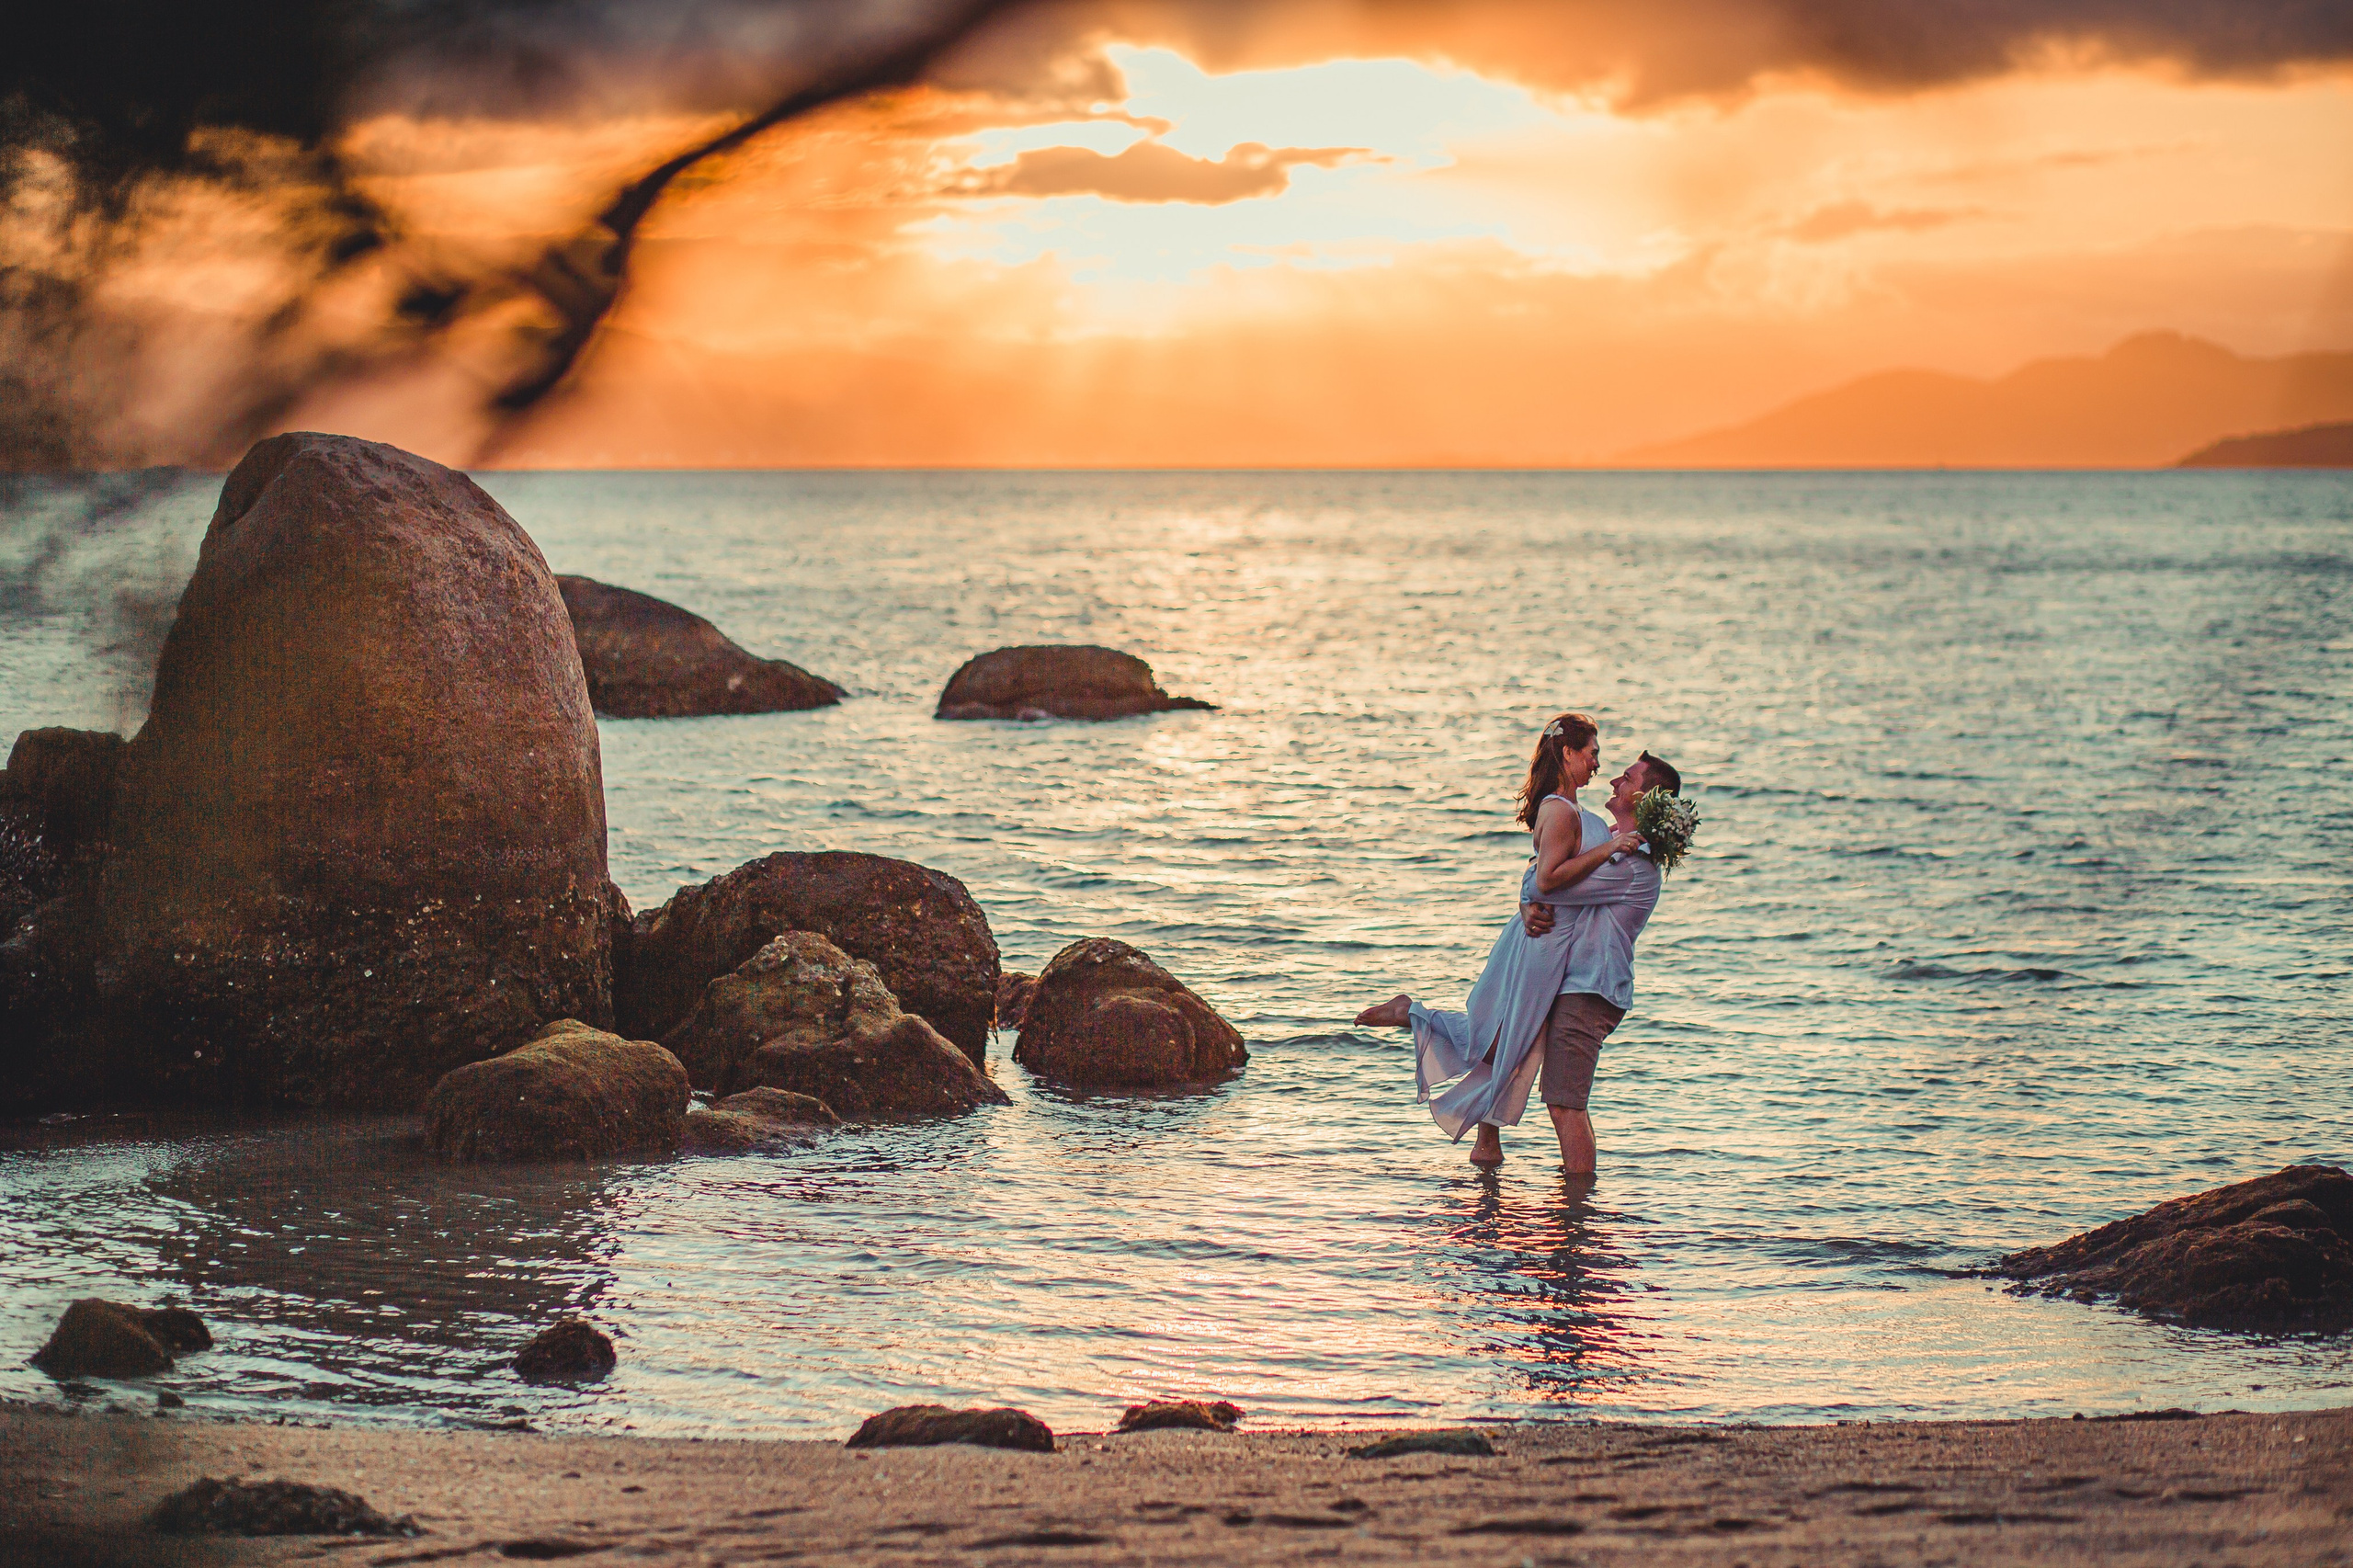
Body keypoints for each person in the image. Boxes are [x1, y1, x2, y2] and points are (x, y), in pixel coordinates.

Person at [1354, 712, 1637, 1166]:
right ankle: (1414, 1014)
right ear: (1568, 753)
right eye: (1592, 753)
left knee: (1512, 1037)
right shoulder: (1560, 811)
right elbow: (1547, 880)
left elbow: (1536, 875)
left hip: (1551, 942)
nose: (1598, 764)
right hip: (1542, 944)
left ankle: (1488, 1143)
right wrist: (1607, 850)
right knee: (1502, 1038)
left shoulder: (1570, 811)